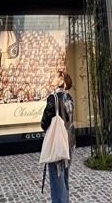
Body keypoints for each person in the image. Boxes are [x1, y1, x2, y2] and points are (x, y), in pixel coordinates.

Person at [40, 71, 75, 203]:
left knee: (57, 181)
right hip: (69, 142)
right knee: (64, 179)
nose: (53, 78)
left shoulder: (53, 98)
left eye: (56, 76)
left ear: (62, 81)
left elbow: (44, 123)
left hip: (57, 143)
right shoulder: (69, 98)